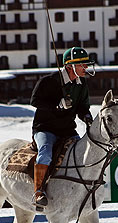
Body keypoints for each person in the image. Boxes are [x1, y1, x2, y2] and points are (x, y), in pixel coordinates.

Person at [30, 47, 95, 207]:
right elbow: (34, 101)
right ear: (70, 66)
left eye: (86, 65)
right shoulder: (49, 81)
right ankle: (39, 193)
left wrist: (86, 117)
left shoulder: (81, 83)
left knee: (84, 153)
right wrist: (57, 105)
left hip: (67, 129)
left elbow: (83, 107)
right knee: (45, 154)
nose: (85, 68)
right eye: (82, 65)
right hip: (45, 128)